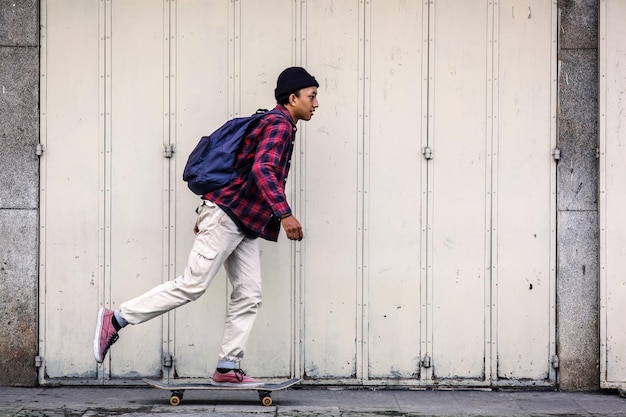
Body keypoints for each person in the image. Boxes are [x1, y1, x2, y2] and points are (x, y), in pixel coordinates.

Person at [94, 67, 319, 386]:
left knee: (249, 292)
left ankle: (227, 367)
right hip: (228, 215)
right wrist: (284, 214)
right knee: (193, 284)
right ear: (292, 98)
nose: (316, 104)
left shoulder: (279, 124)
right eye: (311, 96)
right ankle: (116, 319)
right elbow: (264, 169)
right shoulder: (279, 124)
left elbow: (250, 170)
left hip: (241, 220)